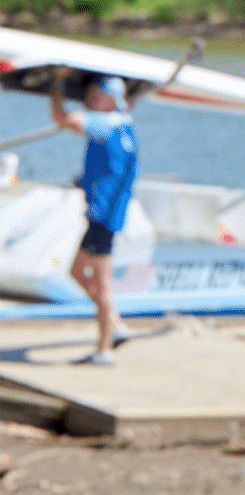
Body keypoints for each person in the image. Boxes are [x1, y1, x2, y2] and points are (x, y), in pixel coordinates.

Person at [50, 71, 138, 364]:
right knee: (77, 272)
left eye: (95, 95)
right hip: (107, 214)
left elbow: (64, 119)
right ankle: (114, 324)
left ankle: (105, 349)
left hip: (103, 216)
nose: (89, 100)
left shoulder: (104, 123)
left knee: (102, 285)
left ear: (108, 98)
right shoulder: (125, 124)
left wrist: (57, 85)